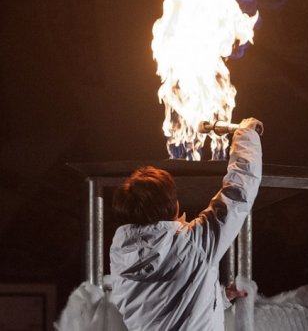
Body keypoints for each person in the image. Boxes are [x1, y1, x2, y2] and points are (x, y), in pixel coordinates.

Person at [108, 117, 263, 331]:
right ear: (174, 206)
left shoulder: (120, 256)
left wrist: (218, 297)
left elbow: (161, 307)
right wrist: (247, 136)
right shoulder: (194, 244)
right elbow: (238, 195)